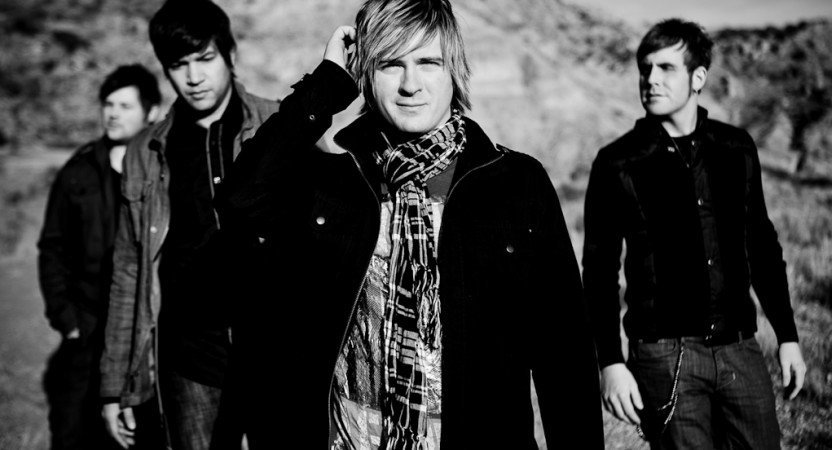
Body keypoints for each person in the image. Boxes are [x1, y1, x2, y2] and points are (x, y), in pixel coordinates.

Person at [218, 0, 604, 447]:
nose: (410, 85)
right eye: (390, 65)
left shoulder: (515, 183)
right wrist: (325, 85)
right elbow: (240, 200)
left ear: (453, 70)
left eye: (428, 63)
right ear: (365, 75)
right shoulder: (333, 180)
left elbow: (564, 351)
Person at [582, 18, 807, 449]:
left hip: (740, 348)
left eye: (666, 68)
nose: (651, 79)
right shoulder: (617, 162)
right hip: (664, 357)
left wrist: (788, 336)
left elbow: (761, 246)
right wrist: (610, 362)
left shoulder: (735, 148)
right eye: (645, 68)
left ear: (698, 77)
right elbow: (598, 271)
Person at [98, 1, 278, 449]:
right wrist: (116, 386)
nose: (194, 77)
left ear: (230, 55)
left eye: (205, 58)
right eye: (179, 65)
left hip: (274, 351)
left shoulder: (278, 125)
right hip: (191, 359)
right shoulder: (146, 151)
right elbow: (129, 271)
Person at [39, 64, 161, 450]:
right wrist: (67, 320)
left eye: (125, 106)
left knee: (141, 434)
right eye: (108, 104)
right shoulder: (78, 170)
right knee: (75, 432)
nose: (113, 113)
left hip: (143, 331)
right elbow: (52, 247)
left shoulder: (164, 170)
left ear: (151, 112)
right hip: (87, 328)